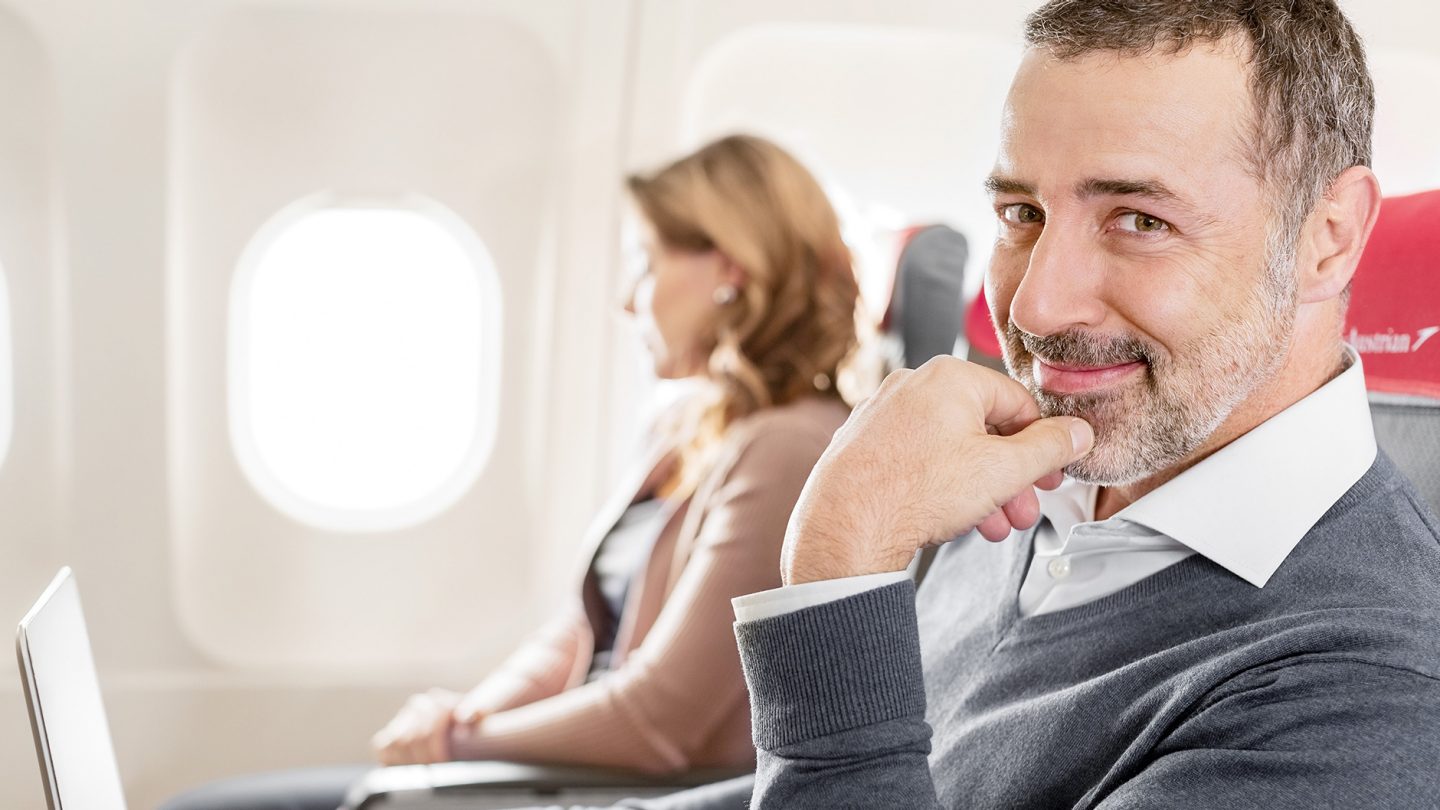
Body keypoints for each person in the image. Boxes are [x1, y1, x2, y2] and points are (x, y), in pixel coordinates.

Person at [721, 2, 1440, 808]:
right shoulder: (1024, 478)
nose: (1034, 308)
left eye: (1139, 220)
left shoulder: (1367, 688)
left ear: (1330, 236)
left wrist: (840, 573)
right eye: (1021, 214)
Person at [161, 134, 862, 810]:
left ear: (729, 269)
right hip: (565, 770)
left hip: (646, 792)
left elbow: (658, 723)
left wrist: (461, 742)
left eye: (646, 262)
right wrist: (463, 712)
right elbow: (575, 631)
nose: (628, 299)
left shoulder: (789, 451)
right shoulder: (690, 430)